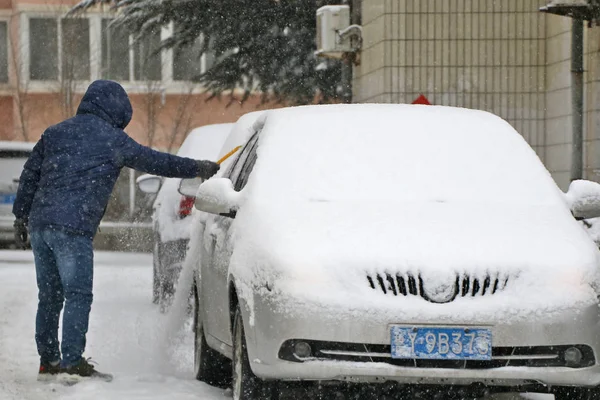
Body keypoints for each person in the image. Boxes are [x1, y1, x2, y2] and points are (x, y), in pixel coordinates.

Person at [12, 80, 220, 381]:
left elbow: (30, 174)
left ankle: (49, 360)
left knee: (50, 296)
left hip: (41, 225)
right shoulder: (113, 140)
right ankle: (71, 361)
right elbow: (157, 161)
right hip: (73, 228)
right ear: (115, 110)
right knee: (77, 294)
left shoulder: (54, 133)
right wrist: (198, 168)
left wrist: (21, 217)